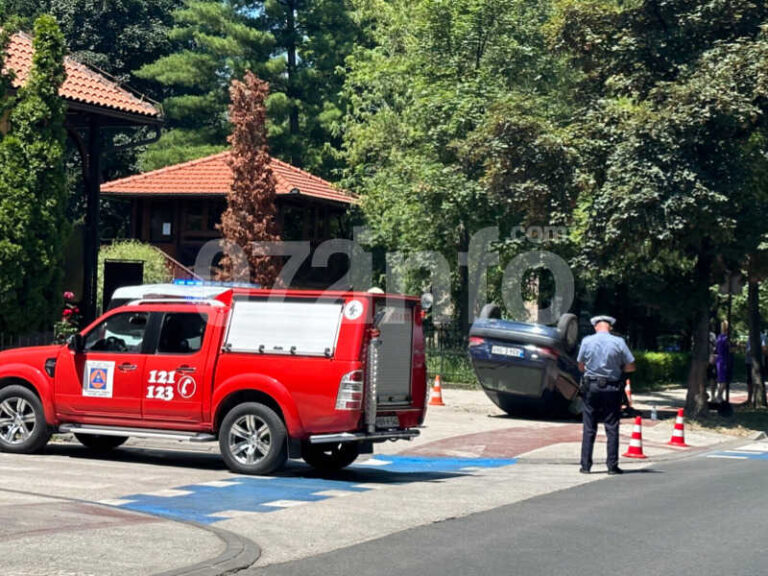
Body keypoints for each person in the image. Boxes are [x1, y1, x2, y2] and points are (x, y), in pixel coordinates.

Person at [578, 315, 636, 475]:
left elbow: (581, 366)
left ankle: (585, 466)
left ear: (596, 326)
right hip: (612, 387)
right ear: (609, 327)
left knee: (589, 426)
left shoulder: (586, 341)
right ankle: (612, 466)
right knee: (611, 426)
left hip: (592, 386)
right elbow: (631, 366)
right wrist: (618, 370)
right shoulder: (619, 342)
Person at [713, 321, 730, 404]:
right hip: (723, 360)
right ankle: (718, 396)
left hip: (719, 359)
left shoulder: (719, 337)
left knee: (721, 380)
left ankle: (720, 396)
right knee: (723, 381)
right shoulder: (726, 338)